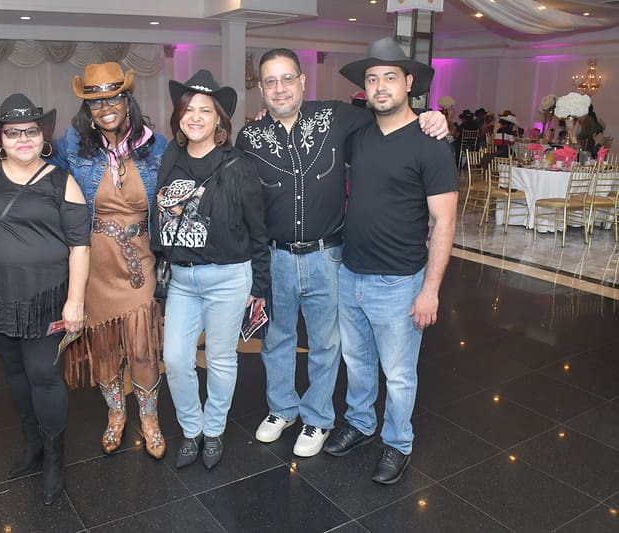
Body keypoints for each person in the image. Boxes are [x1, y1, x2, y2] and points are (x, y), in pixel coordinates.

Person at [235, 48, 448, 458]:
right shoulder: (250, 138)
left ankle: (317, 417)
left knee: (326, 343)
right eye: (271, 82)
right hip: (276, 257)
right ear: (261, 89)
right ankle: (281, 409)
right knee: (276, 340)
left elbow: (392, 117)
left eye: (287, 78)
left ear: (303, 81)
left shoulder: (336, 117)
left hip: (328, 257)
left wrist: (430, 116)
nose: (280, 88)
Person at [0, 93, 91, 505]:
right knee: (15, 372)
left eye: (31, 131)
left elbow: (80, 246)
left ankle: (55, 458)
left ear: (43, 137)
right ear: (0, 139)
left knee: (43, 374)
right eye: (13, 133)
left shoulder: (62, 182)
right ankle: (33, 445)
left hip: (47, 299)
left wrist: (75, 301)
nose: (23, 139)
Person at [328, 38, 458, 484]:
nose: (380, 86)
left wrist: (430, 290)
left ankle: (398, 442)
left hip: (400, 281)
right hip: (351, 272)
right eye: (372, 79)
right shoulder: (359, 136)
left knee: (399, 374)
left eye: (389, 77)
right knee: (357, 361)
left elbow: (444, 222)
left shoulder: (431, 143)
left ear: (408, 83)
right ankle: (361, 423)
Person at [48, 62, 169, 459]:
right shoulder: (73, 147)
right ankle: (116, 414)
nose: (106, 108)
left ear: (128, 100)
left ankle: (149, 418)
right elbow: (36, 174)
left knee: (143, 348)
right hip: (94, 262)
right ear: (88, 108)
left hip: (140, 260)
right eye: (96, 102)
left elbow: (191, 176)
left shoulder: (156, 146)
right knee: (103, 350)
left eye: (114, 98)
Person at [152, 69, 270, 469]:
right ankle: (192, 429)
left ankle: (214, 430)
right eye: (188, 109)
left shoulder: (238, 165)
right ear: (179, 117)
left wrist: (260, 285)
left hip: (228, 278)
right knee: (176, 359)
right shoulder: (171, 158)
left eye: (205, 110)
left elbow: (258, 230)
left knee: (220, 359)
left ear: (219, 118)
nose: (196, 117)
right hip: (182, 280)